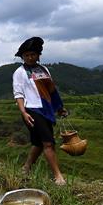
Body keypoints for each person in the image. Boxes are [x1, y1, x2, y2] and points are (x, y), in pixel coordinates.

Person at [12, 37, 68, 185]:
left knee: (38, 143)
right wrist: (23, 112)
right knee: (48, 143)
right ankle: (58, 176)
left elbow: (51, 90)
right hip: (32, 110)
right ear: (22, 57)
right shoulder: (20, 72)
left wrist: (59, 108)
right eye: (26, 55)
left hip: (46, 109)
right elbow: (18, 94)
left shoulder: (44, 70)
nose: (30, 57)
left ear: (38, 55)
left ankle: (25, 168)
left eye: (33, 54)